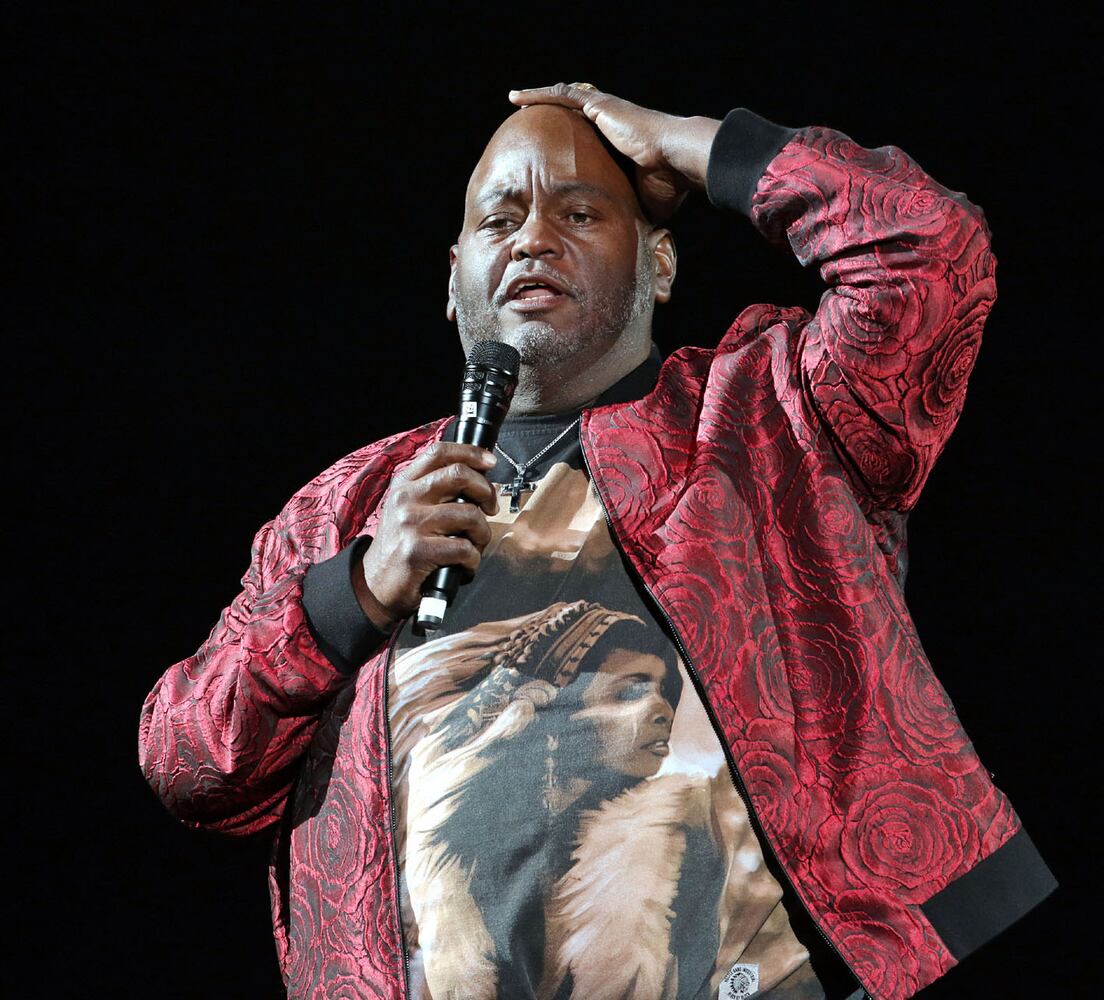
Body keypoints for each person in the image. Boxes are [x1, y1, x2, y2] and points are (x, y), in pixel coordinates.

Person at [139, 83, 1056, 1000]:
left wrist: (691, 144)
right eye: (500, 220)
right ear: (453, 281)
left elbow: (931, 250)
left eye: (578, 213)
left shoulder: (769, 412)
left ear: (659, 263)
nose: (532, 240)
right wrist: (356, 591)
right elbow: (189, 762)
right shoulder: (346, 507)